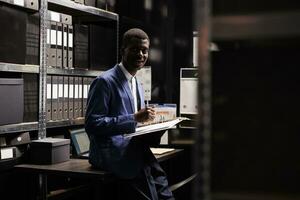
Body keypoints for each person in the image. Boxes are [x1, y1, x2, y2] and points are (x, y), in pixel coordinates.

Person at [85, 28, 174, 200]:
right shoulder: (104, 81)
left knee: (163, 186)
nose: (141, 54)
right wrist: (134, 118)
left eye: (144, 50)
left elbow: (137, 126)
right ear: (123, 50)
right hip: (111, 153)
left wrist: (155, 127)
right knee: (150, 191)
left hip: (133, 148)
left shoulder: (136, 83)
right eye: (135, 49)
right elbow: (92, 124)